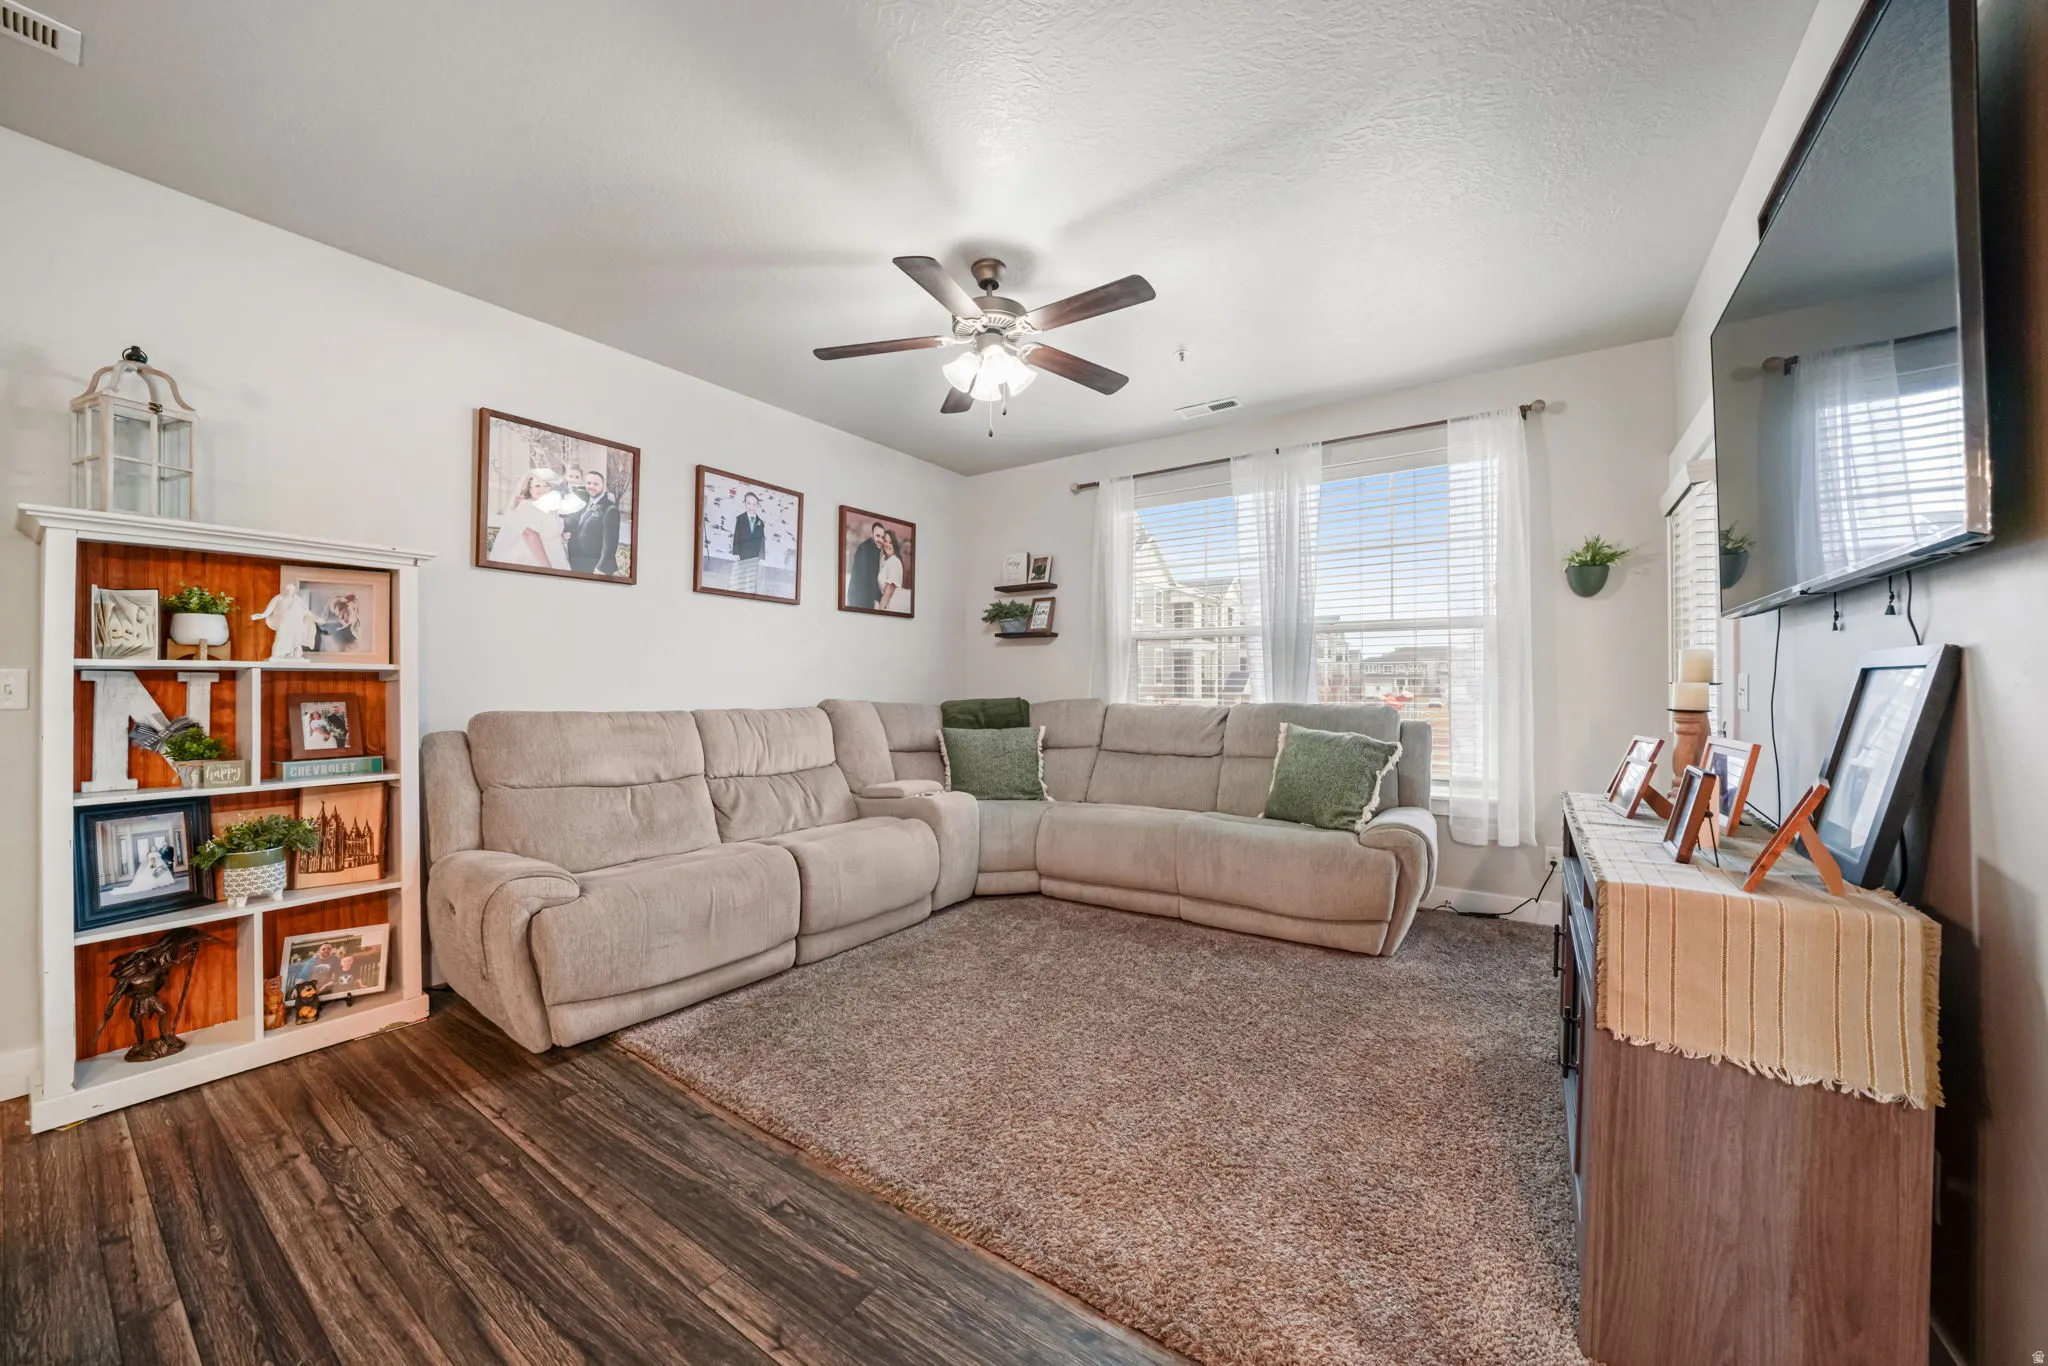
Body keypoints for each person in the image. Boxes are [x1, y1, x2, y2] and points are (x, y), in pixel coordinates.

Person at [490, 468, 570, 570]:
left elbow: (548, 529)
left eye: (546, 486)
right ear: (529, 488)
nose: (542, 490)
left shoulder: (550, 506)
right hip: (535, 558)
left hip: (555, 555)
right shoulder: (526, 506)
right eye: (537, 486)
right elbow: (530, 535)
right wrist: (547, 567)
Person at [562, 468, 622, 575]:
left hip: (596, 566)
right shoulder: (581, 501)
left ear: (603, 486)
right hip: (577, 562)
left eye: (596, 484)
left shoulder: (609, 509)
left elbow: (611, 545)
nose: (591, 487)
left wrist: (601, 568)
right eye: (588, 483)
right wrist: (564, 532)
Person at [730, 490, 766, 593]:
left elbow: (762, 540)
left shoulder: (760, 522)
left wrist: (762, 556)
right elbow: (737, 536)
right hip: (743, 552)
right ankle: (740, 592)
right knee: (742, 574)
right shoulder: (740, 519)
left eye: (754, 504)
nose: (751, 506)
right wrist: (736, 552)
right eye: (749, 503)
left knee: (752, 576)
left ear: (757, 505)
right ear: (745, 503)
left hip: (754, 554)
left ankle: (751, 593)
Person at [846, 520, 886, 609]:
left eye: (882, 537)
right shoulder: (870, 549)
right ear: (872, 535)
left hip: (858, 597)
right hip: (861, 599)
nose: (880, 539)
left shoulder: (869, 547)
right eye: (877, 536)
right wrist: (881, 597)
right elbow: (869, 577)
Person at [877, 527, 910, 613]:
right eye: (885, 541)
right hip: (886, 605)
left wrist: (879, 615)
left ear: (894, 544)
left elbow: (887, 594)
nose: (887, 544)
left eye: (890, 542)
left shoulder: (894, 562)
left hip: (895, 608)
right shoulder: (883, 559)